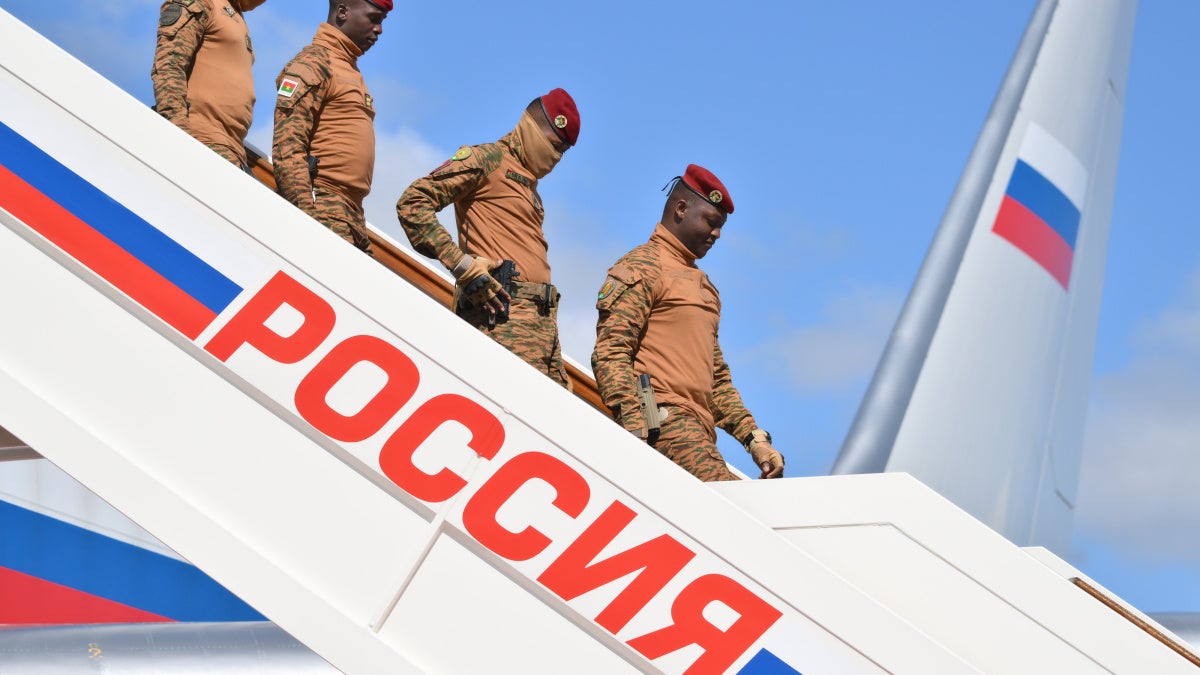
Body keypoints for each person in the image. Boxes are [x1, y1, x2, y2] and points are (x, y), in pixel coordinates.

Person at [591, 164, 785, 482]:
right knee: (729, 504)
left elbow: (717, 381)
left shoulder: (704, 287)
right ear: (681, 208)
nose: (717, 234)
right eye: (711, 222)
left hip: (697, 432)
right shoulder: (643, 266)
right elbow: (611, 351)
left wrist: (756, 441)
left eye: (721, 227)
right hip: (665, 423)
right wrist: (634, 426)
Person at [396, 89, 580, 387]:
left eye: (563, 152)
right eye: (554, 145)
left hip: (538, 328)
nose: (556, 157)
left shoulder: (529, 187)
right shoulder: (488, 159)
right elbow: (413, 203)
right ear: (533, 127)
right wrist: (463, 266)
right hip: (500, 318)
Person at [272, 0, 391, 252]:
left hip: (350, 216)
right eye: (374, 19)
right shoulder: (315, 63)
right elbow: (287, 147)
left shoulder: (349, 70)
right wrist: (307, 218)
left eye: (382, 22)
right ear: (342, 12)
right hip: (323, 207)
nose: (379, 30)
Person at [152, 0, 268, 170]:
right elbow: (169, 65)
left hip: (231, 151)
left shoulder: (235, 14)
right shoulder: (204, 2)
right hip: (201, 141)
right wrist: (180, 134)